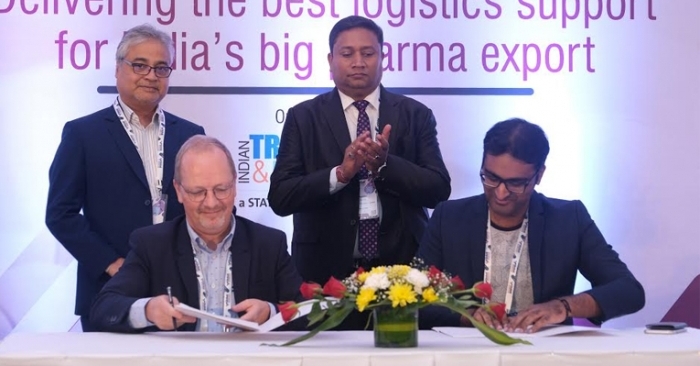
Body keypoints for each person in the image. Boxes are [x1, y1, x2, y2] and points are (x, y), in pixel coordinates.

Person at [268, 16, 451, 309]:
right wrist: (340, 174)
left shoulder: (415, 114)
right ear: (330, 60)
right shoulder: (304, 118)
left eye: (368, 53)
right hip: (325, 273)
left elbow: (439, 189)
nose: (358, 62)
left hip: (401, 273)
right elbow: (280, 196)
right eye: (347, 53)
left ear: (382, 57)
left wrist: (384, 167)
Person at [45, 24, 205, 332]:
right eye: (140, 65)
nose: (151, 75)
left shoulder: (190, 134)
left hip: (181, 295)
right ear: (118, 69)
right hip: (110, 292)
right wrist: (112, 264)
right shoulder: (82, 134)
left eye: (161, 68)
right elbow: (60, 213)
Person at [418, 118, 645, 333]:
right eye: (491, 177)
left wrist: (562, 307)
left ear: (539, 175)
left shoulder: (568, 219)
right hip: (468, 355)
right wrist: (465, 315)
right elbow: (415, 300)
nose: (501, 192)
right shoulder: (449, 217)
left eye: (516, 183)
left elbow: (628, 291)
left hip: (544, 355)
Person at [90, 135, 303, 332]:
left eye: (221, 189)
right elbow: (104, 308)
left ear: (235, 185)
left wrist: (270, 312)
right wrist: (149, 310)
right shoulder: (152, 244)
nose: (211, 203)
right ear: (179, 191)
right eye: (198, 192)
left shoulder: (268, 243)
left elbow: (309, 313)